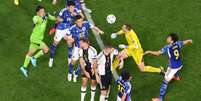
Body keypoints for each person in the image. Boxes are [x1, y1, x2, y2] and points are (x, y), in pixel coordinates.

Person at [143, 33, 193, 101]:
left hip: (173, 67)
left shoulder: (167, 47)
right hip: (180, 64)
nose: (167, 38)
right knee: (174, 69)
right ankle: (176, 77)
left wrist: (149, 51)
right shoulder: (178, 43)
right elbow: (184, 42)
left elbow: (157, 53)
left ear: (172, 41)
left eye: (169, 38)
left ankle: (160, 98)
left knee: (165, 81)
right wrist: (189, 40)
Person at [19, 5, 56, 77]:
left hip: (35, 39)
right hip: (36, 39)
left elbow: (54, 18)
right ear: (37, 13)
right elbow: (35, 20)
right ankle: (34, 58)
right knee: (46, 49)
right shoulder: (37, 18)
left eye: (43, 11)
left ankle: (23, 68)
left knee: (30, 53)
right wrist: (43, 17)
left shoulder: (46, 16)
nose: (43, 12)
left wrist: (57, 17)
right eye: (41, 12)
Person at [67, 15, 104, 82]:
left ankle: (75, 73)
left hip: (85, 48)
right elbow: (68, 38)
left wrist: (99, 30)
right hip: (77, 48)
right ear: (75, 22)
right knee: (72, 62)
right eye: (79, 22)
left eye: (81, 21)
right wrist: (72, 39)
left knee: (82, 65)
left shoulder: (86, 24)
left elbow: (93, 27)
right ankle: (69, 73)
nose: (81, 23)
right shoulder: (72, 28)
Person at [48, 1, 84, 68]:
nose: (72, 8)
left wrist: (76, 15)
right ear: (67, 7)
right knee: (55, 43)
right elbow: (58, 18)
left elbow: (82, 17)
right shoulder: (63, 11)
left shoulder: (76, 10)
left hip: (68, 29)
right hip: (60, 29)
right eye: (70, 7)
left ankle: (69, 58)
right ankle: (51, 58)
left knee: (69, 43)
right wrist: (62, 20)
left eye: (73, 7)